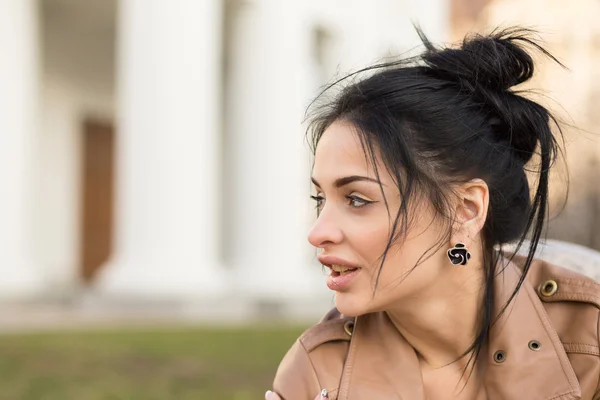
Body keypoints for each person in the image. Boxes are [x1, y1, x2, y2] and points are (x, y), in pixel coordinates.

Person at [265, 27, 600, 400]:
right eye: (319, 199)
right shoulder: (316, 372)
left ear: (466, 210)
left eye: (357, 199)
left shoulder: (590, 340)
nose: (317, 233)